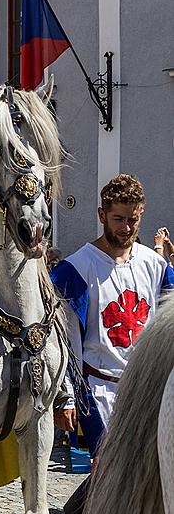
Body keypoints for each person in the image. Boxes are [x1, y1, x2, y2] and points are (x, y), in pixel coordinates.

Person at [51, 174, 174, 458]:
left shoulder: (154, 264)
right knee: (107, 473)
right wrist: (65, 397)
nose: (127, 228)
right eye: (118, 219)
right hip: (99, 391)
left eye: (133, 219)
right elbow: (65, 341)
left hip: (145, 388)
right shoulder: (76, 269)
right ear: (101, 215)